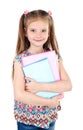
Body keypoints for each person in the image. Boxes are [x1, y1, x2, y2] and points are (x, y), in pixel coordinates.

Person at [12, 9, 72, 130]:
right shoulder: (20, 60)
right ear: (25, 32)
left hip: (49, 118)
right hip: (27, 121)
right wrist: (48, 102)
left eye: (43, 30)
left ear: (49, 32)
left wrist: (39, 86)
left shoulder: (55, 57)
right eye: (33, 30)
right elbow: (19, 94)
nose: (38, 35)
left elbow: (68, 85)